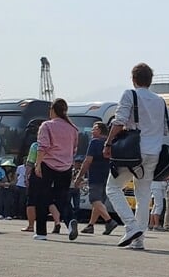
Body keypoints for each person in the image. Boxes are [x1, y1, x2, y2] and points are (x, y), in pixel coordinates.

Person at [103, 62, 168, 250]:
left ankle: (131, 226)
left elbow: (120, 120)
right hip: (154, 151)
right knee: (143, 194)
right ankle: (139, 238)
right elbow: (164, 129)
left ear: (133, 79)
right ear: (150, 81)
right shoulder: (161, 101)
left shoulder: (129, 94)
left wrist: (108, 143)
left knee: (113, 188)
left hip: (133, 151)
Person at [30, 98, 80, 241]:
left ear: (52, 110)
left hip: (48, 165)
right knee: (62, 197)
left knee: (42, 198)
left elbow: (42, 147)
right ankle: (70, 221)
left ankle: (41, 232)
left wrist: (38, 164)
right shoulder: (73, 129)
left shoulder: (46, 126)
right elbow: (74, 150)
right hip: (66, 166)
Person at [74, 122, 118, 235]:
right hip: (108, 176)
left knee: (94, 200)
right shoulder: (111, 143)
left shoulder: (95, 142)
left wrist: (79, 177)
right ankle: (90, 225)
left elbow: (87, 161)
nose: (92, 132)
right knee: (99, 202)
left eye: (93, 129)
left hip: (96, 175)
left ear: (99, 130)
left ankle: (109, 221)